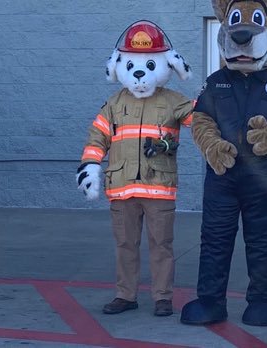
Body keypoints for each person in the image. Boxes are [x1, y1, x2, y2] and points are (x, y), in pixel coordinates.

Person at [181, 0, 267, 327]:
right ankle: (210, 301)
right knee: (214, 239)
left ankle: (261, 303)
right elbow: (201, 120)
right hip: (221, 177)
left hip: (262, 178)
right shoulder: (215, 81)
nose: (242, 33)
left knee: (263, 241)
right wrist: (211, 145)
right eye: (235, 21)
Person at [76, 20, 194, 317]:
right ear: (118, 66)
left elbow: (202, 120)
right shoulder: (113, 104)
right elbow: (96, 137)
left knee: (161, 245)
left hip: (158, 188)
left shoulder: (175, 102)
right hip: (122, 188)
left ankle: (162, 297)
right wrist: (90, 166)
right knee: (125, 245)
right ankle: (125, 295)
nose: (140, 73)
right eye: (132, 64)